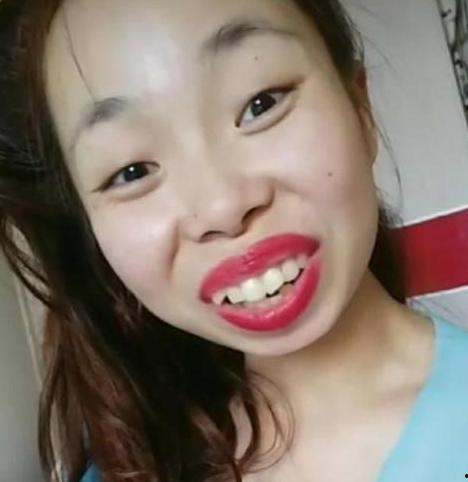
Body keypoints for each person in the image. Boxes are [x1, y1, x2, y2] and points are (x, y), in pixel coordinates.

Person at [0, 0, 468, 481]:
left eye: (261, 104)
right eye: (132, 172)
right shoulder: (129, 468)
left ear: (359, 108)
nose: (221, 208)